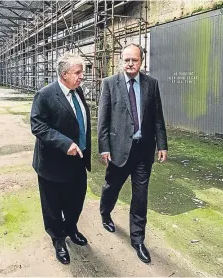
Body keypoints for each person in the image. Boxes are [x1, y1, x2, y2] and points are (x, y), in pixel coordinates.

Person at [97, 43, 168, 263]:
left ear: (141, 62)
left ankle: (138, 240)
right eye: (126, 60)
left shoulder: (151, 84)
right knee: (112, 187)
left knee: (140, 197)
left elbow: (158, 117)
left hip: (143, 151)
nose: (130, 64)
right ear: (121, 60)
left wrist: (162, 145)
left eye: (134, 60)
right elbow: (103, 120)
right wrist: (104, 148)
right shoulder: (109, 84)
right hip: (118, 150)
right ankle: (105, 212)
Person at [30, 52, 91, 265]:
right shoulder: (45, 95)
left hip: (78, 160)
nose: (82, 76)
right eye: (78, 72)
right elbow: (38, 126)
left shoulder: (78, 91)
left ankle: (71, 228)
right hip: (53, 164)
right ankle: (58, 240)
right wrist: (66, 144)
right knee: (53, 206)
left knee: (76, 201)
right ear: (64, 74)